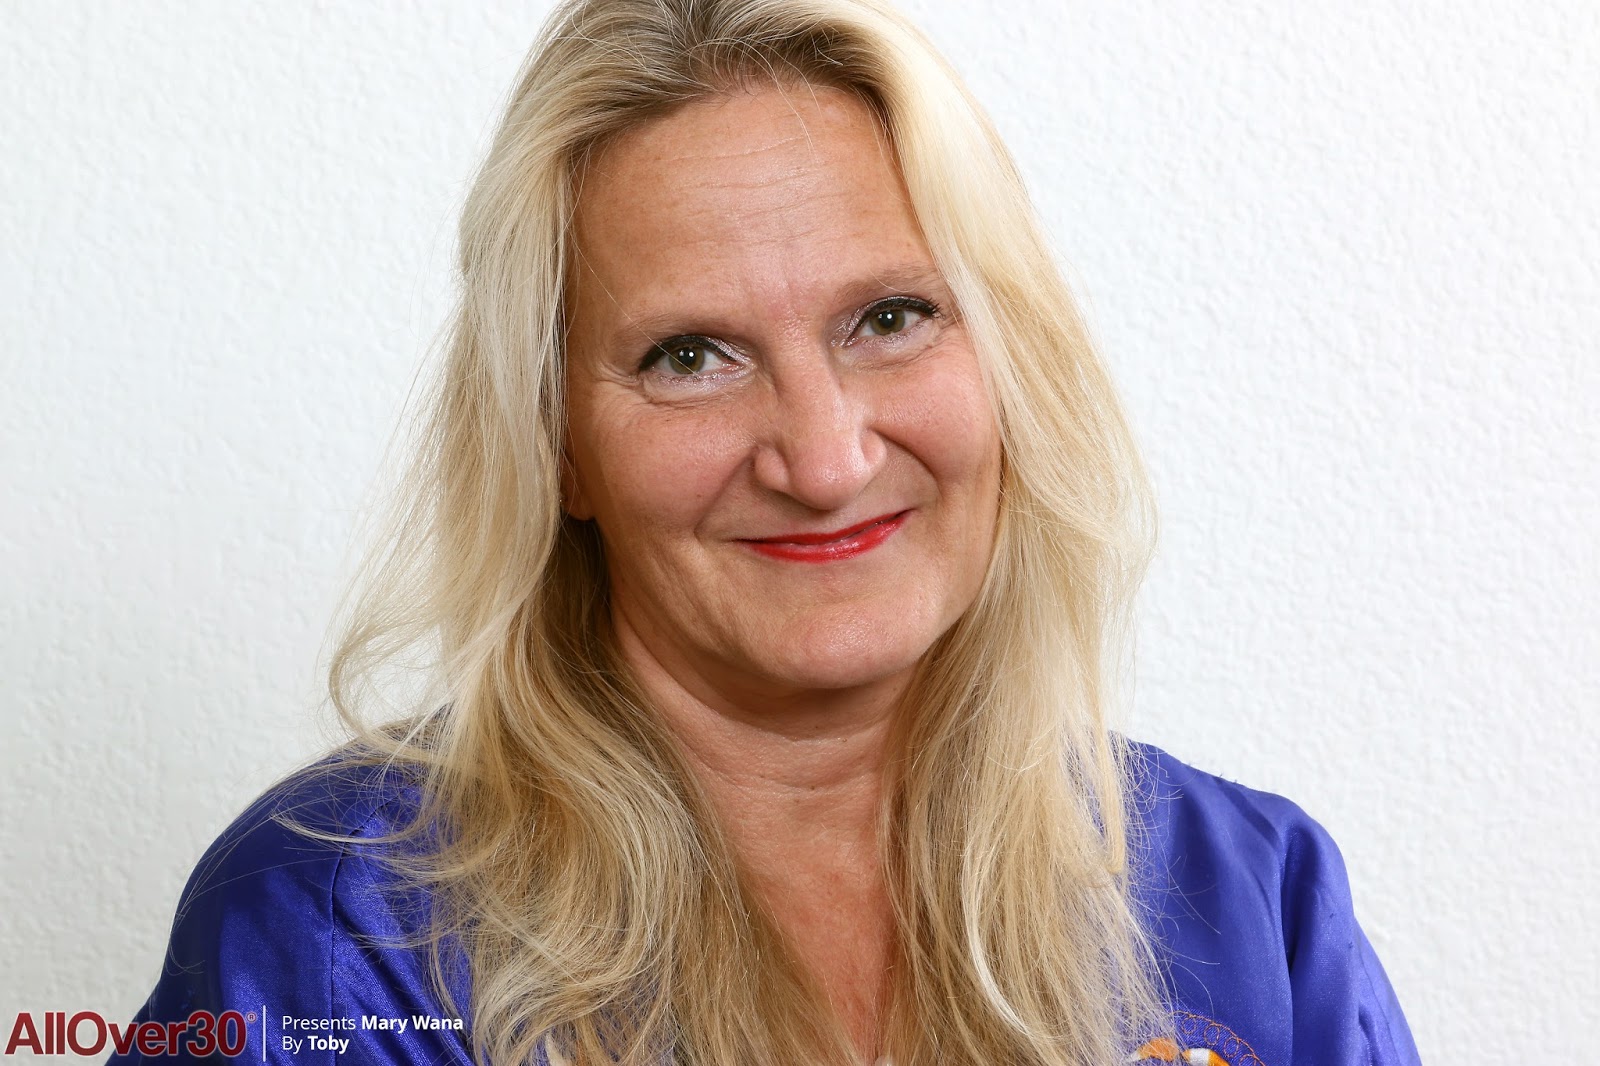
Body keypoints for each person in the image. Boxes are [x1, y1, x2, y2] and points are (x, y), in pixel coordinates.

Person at [112, 0, 1421, 1063]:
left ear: (1010, 358)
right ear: (554, 441)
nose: (825, 457)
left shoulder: (1259, 906)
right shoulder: (333, 939)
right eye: (690, 355)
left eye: (892, 318)